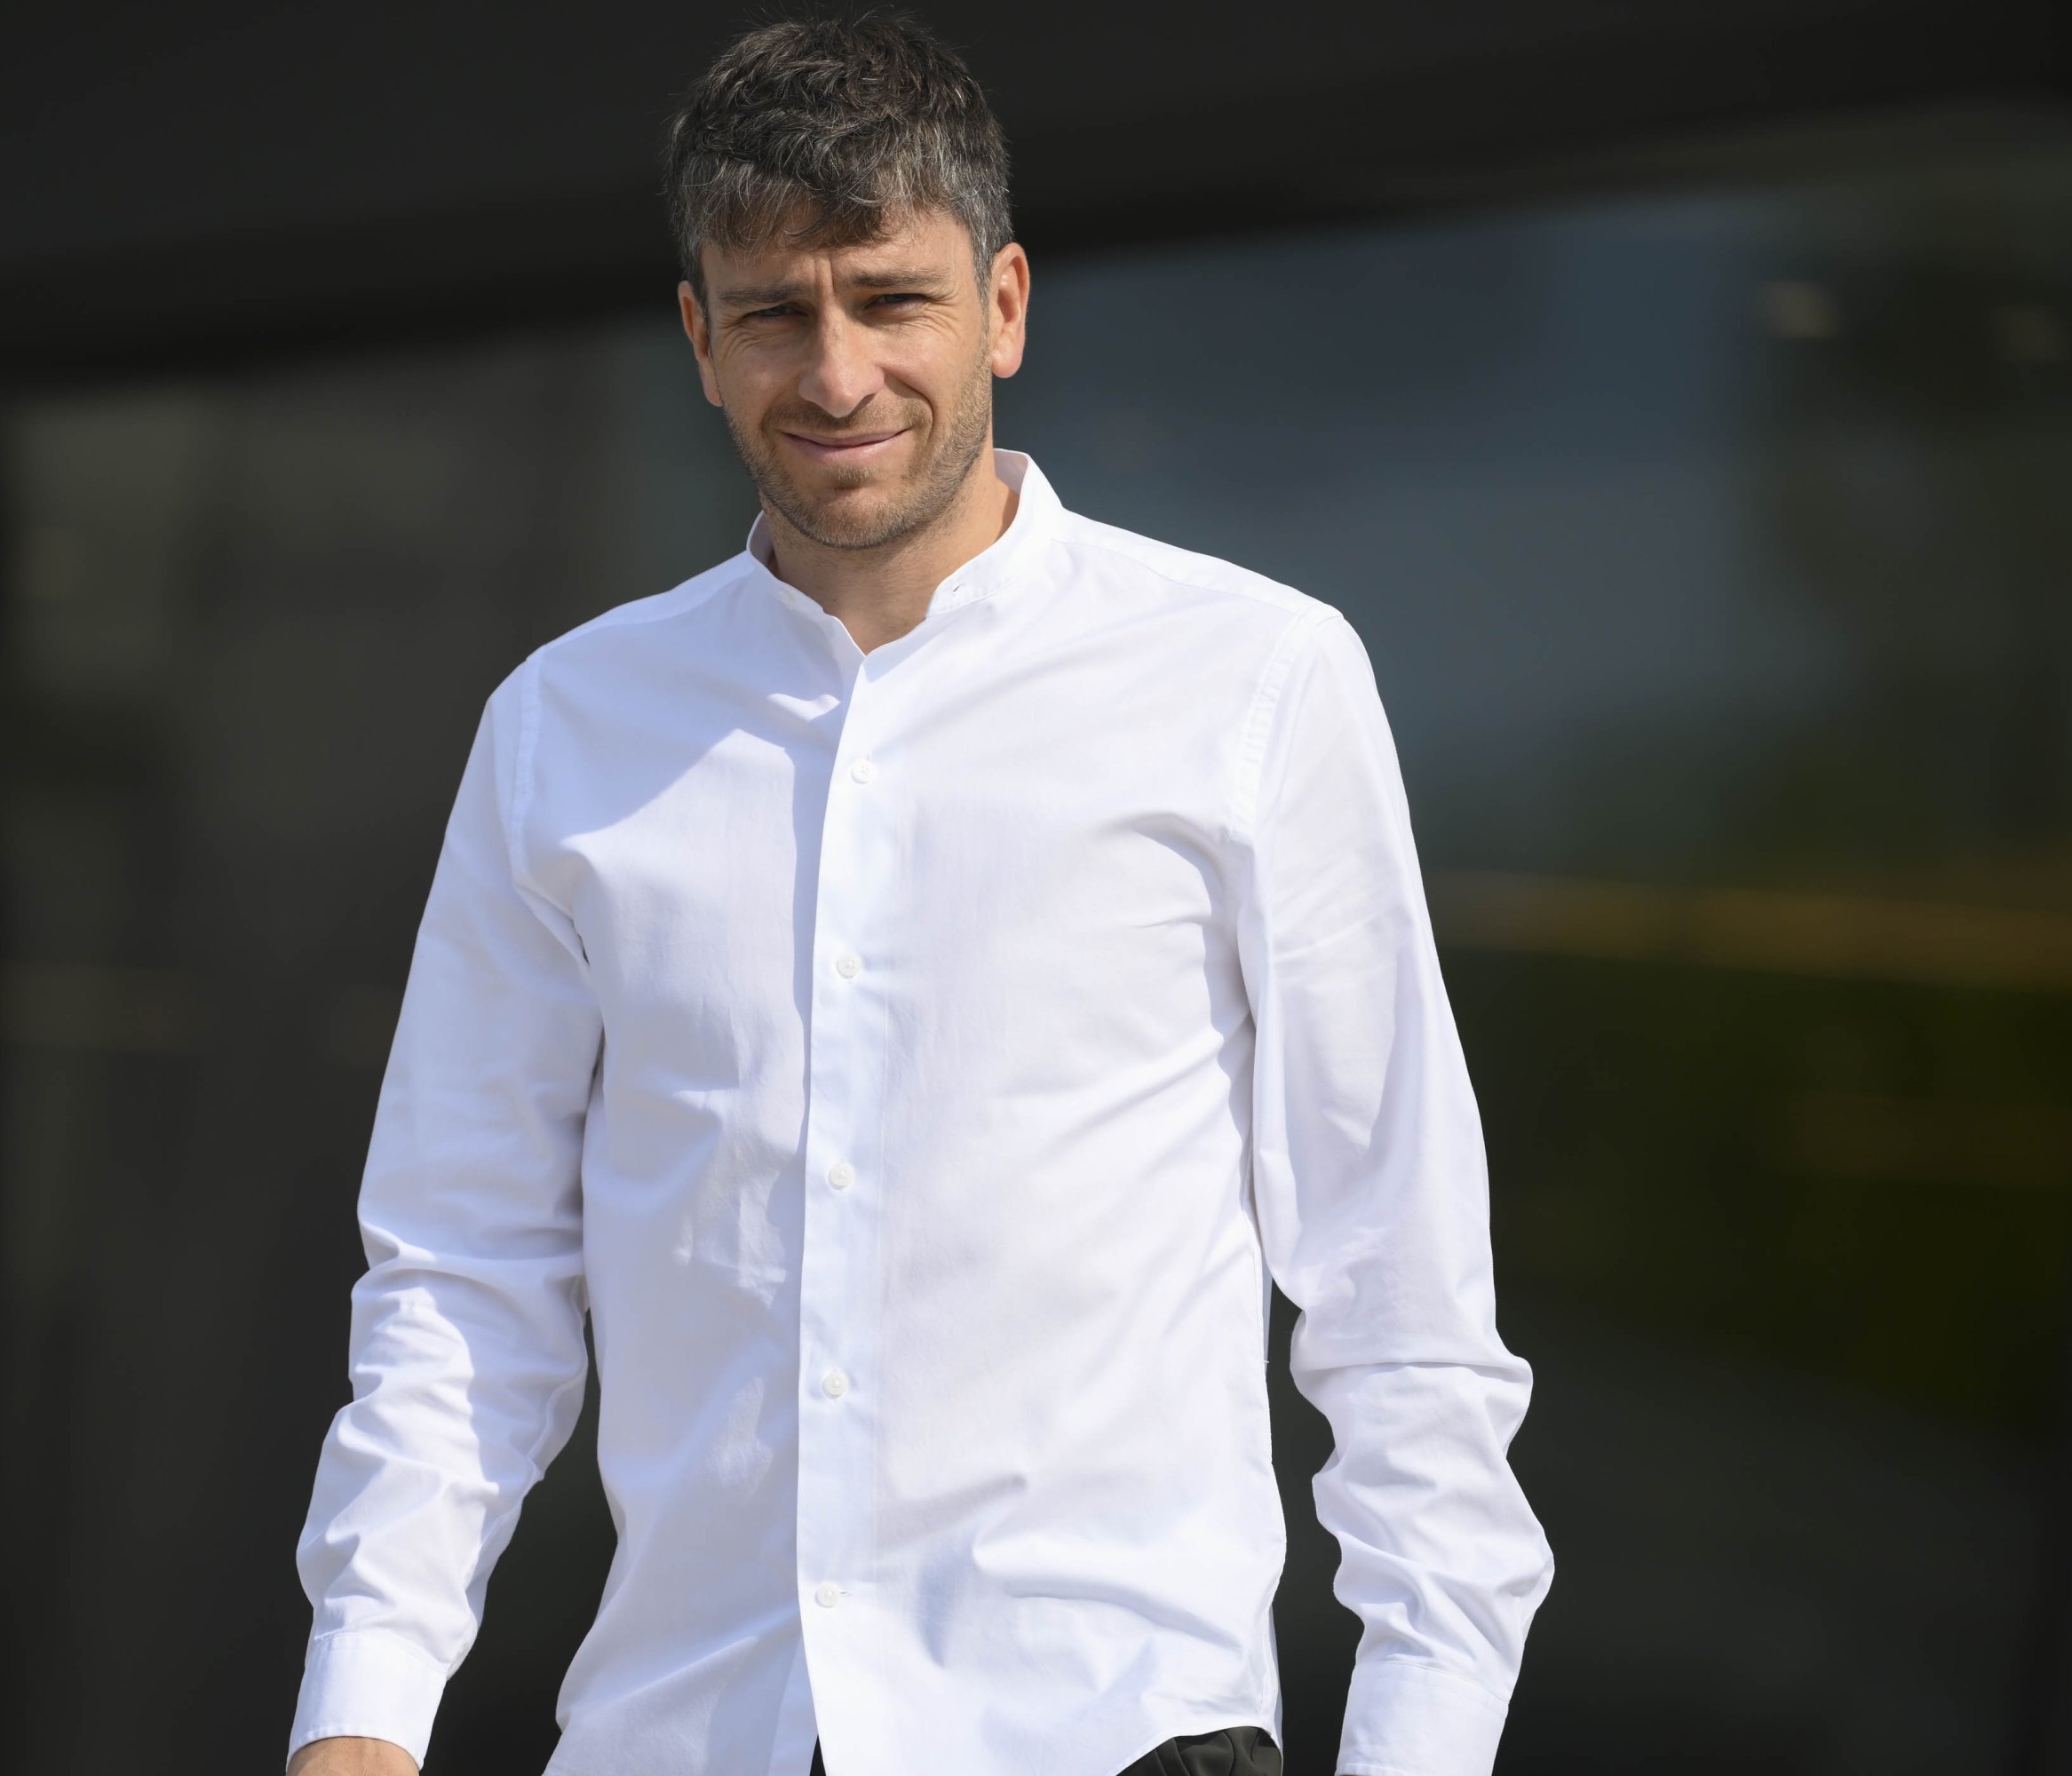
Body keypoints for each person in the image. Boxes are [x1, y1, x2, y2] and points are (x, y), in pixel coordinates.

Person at [284, 15, 1552, 1776]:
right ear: (698, 343)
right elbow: (464, 1272)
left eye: (891, 299)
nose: (837, 372)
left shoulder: (1253, 681)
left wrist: (1419, 1746)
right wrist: (360, 1712)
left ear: (1005, 307)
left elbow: (1397, 1288)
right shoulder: (562, 732)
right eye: (774, 314)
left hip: (1113, 1735)